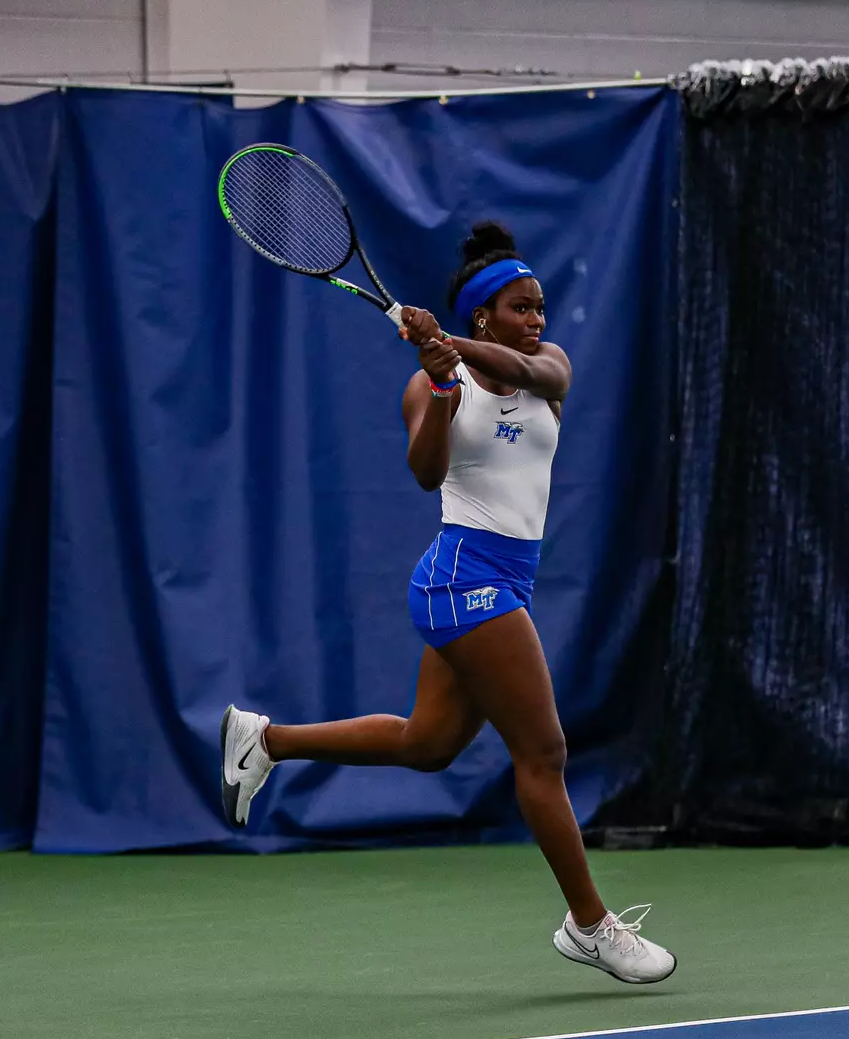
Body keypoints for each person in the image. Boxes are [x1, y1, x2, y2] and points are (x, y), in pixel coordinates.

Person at [218, 221, 676, 985]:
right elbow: (426, 473)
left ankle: (266, 741)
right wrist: (437, 383)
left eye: (539, 308)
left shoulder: (544, 369)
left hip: (499, 578)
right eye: (520, 309)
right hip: (465, 577)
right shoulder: (432, 382)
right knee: (544, 753)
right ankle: (589, 926)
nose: (536, 322)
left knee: (427, 746)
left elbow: (550, 379)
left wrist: (453, 348)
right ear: (482, 313)